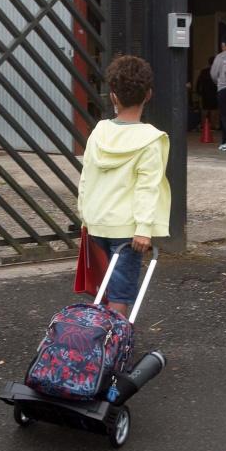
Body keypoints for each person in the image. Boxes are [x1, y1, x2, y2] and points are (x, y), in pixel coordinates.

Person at [77, 55, 170, 318]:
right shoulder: (152, 139)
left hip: (96, 222)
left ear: (113, 96)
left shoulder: (99, 131)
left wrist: (84, 214)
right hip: (127, 231)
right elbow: (147, 187)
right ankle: (113, 348)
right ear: (148, 95)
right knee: (120, 292)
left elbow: (87, 176)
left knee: (102, 287)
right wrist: (144, 228)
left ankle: (97, 342)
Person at [194, 64, 217, 135]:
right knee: (213, 110)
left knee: (204, 110)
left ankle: (203, 126)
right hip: (214, 93)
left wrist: (198, 91)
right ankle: (213, 126)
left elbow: (198, 82)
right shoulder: (216, 71)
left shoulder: (204, 71)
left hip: (205, 93)